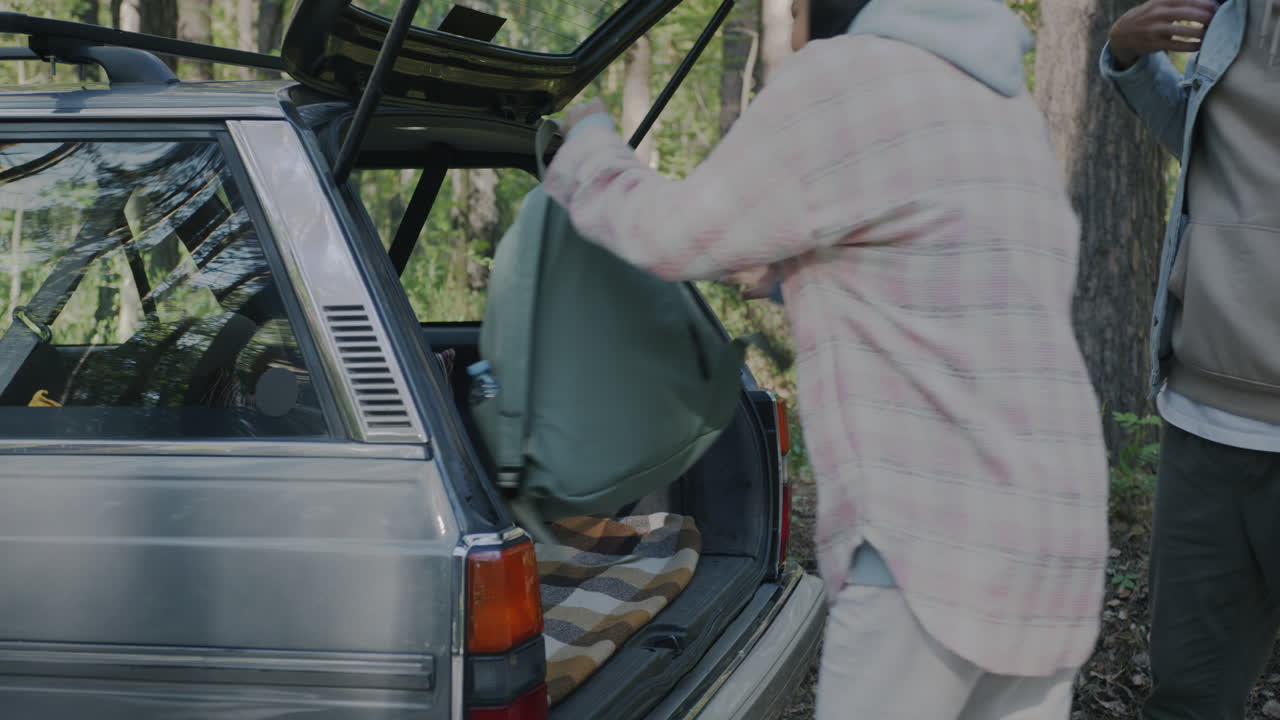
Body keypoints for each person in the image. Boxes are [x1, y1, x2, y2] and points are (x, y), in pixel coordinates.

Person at [549, 0, 1109, 716]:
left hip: (931, 543)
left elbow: (669, 236)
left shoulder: (847, 76)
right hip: (1054, 538)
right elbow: (950, 283)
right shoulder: (1003, 105)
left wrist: (590, 141)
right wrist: (792, 275)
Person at [1101, 1, 1280, 717]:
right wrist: (1130, 58)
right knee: (1189, 696)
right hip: (1205, 426)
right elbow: (1212, 155)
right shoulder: (1227, 18)